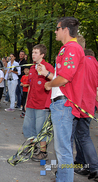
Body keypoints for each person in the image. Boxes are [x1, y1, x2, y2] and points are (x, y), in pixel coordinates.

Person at [42, 17, 85, 182]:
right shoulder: (68, 48)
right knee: (62, 148)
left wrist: (49, 84)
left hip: (64, 104)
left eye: (57, 28)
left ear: (65, 30)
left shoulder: (72, 48)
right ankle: (62, 177)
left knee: (63, 150)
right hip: (62, 104)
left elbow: (65, 78)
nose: (55, 31)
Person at [22, 44, 54, 162]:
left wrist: (45, 73)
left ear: (42, 54)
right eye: (33, 52)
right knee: (29, 127)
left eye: (36, 52)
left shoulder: (47, 67)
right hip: (31, 103)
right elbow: (30, 86)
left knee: (41, 128)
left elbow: (55, 81)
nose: (33, 54)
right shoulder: (31, 68)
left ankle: (43, 152)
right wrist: (26, 101)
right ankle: (32, 147)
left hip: (42, 104)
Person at [72, 49, 98, 179]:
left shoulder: (81, 62)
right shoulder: (95, 64)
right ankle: (81, 162)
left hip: (80, 104)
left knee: (83, 136)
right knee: (81, 134)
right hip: (90, 104)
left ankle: (93, 167)